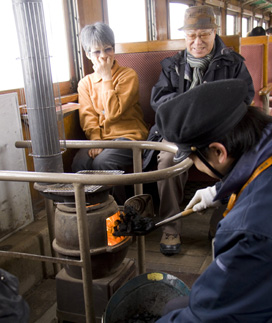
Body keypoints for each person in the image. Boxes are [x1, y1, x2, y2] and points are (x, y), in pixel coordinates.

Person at [154, 79, 272, 322]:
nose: (194, 166)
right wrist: (217, 191)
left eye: (193, 159)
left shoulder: (248, 232)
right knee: (175, 305)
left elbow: (207, 318)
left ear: (219, 152)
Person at [143, 5, 255, 256]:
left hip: (221, 131)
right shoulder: (172, 66)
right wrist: (189, 108)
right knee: (168, 161)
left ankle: (222, 221)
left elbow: (245, 97)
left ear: (215, 32)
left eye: (204, 34)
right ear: (185, 37)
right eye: (191, 35)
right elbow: (159, 99)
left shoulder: (233, 63)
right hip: (182, 132)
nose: (197, 41)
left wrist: (211, 112)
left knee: (236, 157)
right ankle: (171, 227)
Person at [72, 22, 148, 204]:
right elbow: (88, 117)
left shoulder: (127, 75)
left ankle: (119, 213)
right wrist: (96, 141)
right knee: (79, 163)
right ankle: (90, 211)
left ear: (114, 49)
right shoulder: (85, 83)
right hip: (102, 139)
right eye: (97, 52)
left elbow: (114, 113)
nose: (104, 56)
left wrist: (107, 78)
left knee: (103, 163)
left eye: (108, 49)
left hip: (129, 137)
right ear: (88, 54)